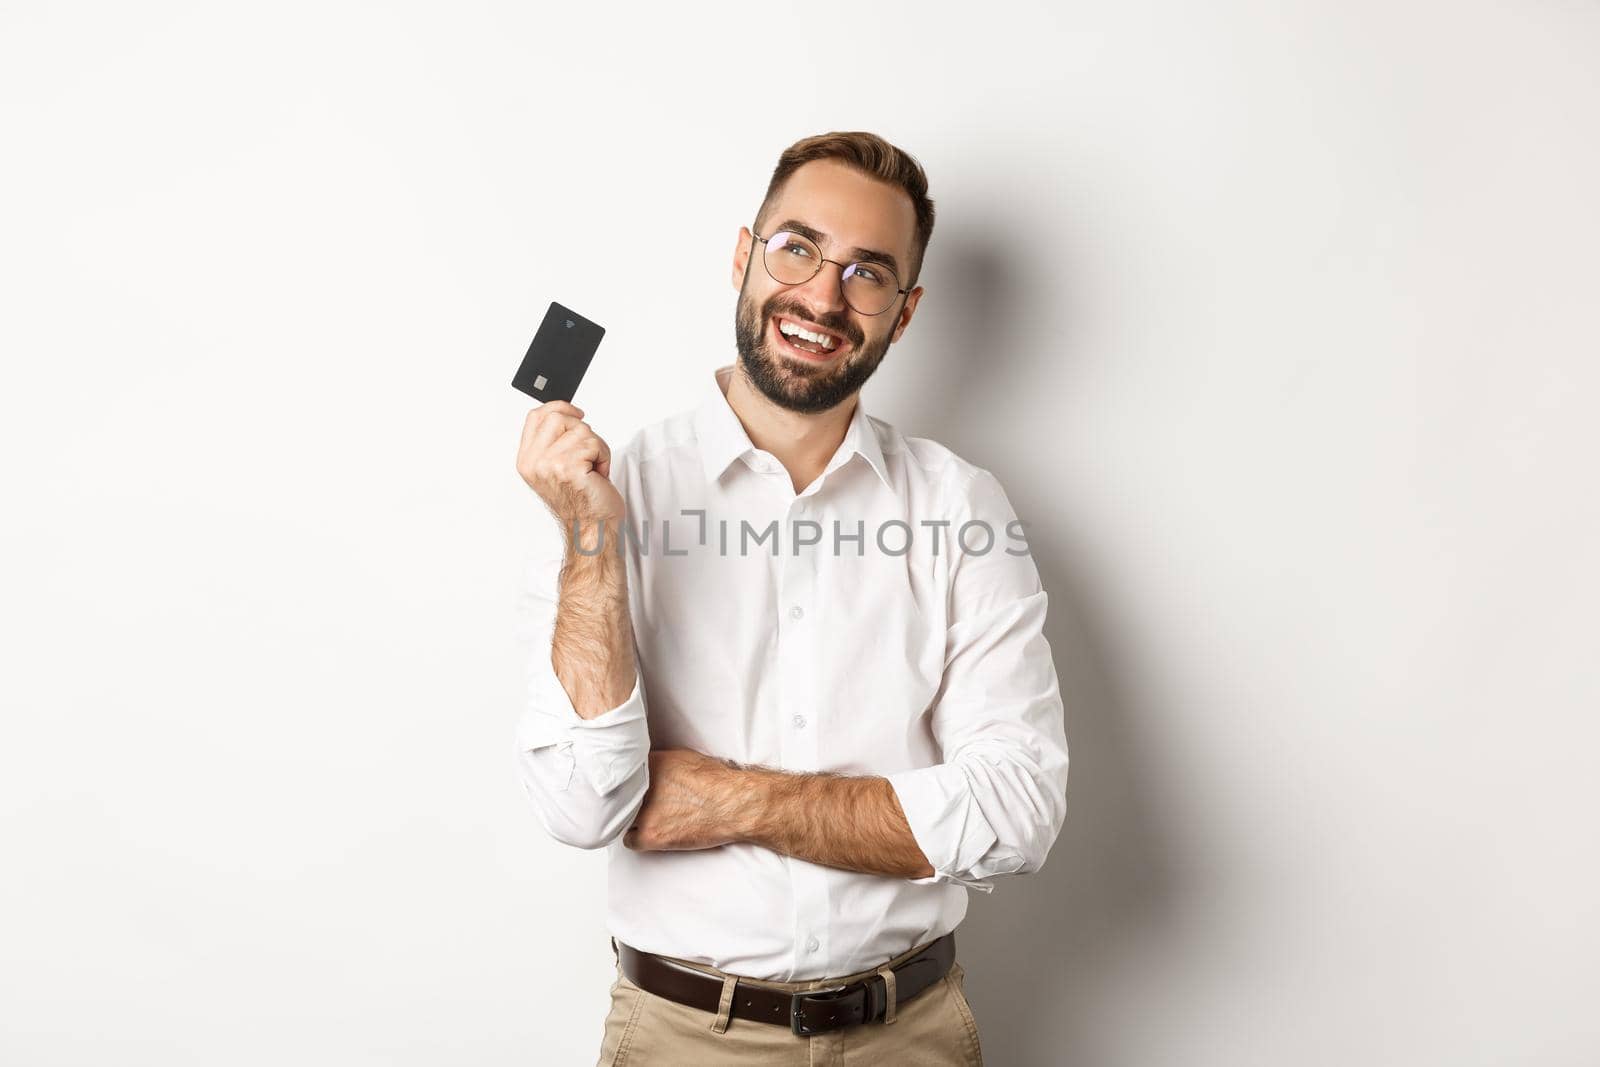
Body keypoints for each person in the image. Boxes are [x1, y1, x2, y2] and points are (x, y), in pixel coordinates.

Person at [513, 130, 1069, 1065]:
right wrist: (590, 538)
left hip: (912, 1035)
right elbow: (582, 803)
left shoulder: (957, 505)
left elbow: (1017, 809)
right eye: (798, 248)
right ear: (745, 253)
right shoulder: (617, 495)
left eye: (869, 273)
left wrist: (730, 799)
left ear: (907, 309)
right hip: (684, 1038)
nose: (823, 295)